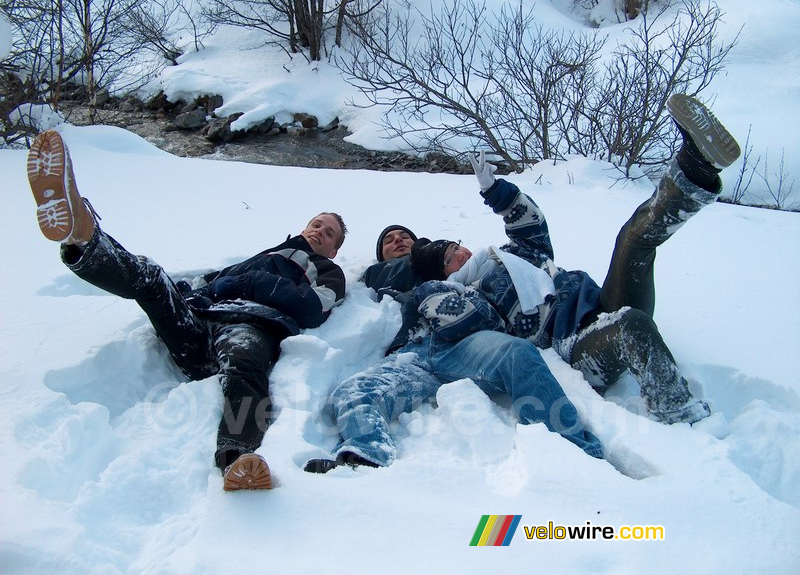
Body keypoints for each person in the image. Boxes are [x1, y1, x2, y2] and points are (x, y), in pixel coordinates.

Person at [26, 130, 347, 491]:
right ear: (304, 227)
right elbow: (213, 284)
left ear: (334, 249)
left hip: (249, 326)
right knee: (151, 278)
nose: (320, 232)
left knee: (244, 359)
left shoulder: (329, 271)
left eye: (330, 232)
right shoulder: (266, 254)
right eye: (316, 224)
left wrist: (252, 283)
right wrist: (191, 293)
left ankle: (237, 457)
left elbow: (313, 309)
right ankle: (84, 238)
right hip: (198, 324)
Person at [402, 93, 741, 426]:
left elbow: (531, 224)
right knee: (631, 324)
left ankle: (696, 166)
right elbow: (475, 325)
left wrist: (495, 191)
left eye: (456, 246)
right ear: (443, 275)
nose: (460, 253)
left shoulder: (511, 255)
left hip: (599, 302)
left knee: (632, 241)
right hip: (576, 347)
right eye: (449, 258)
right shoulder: (465, 295)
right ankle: (681, 416)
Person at [304, 242, 604, 474]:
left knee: (517, 353)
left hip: (466, 350)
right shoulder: (432, 286)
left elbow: (475, 324)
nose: (462, 256)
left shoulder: (482, 282)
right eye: (450, 256)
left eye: (460, 251)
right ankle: (366, 456)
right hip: (419, 355)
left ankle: (573, 454)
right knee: (353, 391)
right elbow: (449, 316)